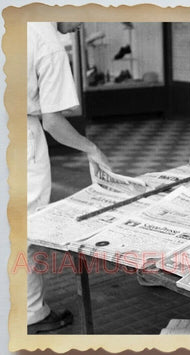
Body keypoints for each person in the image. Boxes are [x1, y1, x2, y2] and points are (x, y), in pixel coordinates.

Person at [27, 22, 110, 333]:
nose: (83, 26)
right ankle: (31, 314)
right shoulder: (46, 41)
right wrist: (92, 150)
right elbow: (52, 122)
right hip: (19, 131)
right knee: (25, 226)